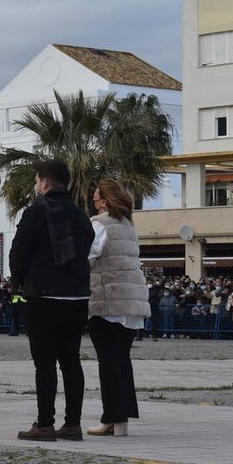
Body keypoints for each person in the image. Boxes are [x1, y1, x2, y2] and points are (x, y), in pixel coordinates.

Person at [9, 159, 95, 442]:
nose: (36, 185)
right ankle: (73, 423)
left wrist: (19, 283)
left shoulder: (36, 212)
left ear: (44, 182)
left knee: (44, 363)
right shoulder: (82, 215)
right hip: (77, 296)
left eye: (36, 180)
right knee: (71, 360)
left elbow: (18, 251)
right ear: (67, 183)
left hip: (44, 295)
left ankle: (44, 423)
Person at [85, 179, 150, 437]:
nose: (93, 199)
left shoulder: (99, 224)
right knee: (122, 359)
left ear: (104, 200)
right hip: (132, 300)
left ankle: (111, 416)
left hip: (107, 298)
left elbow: (88, 256)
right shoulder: (129, 226)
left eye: (96, 196)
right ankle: (122, 416)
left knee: (108, 361)